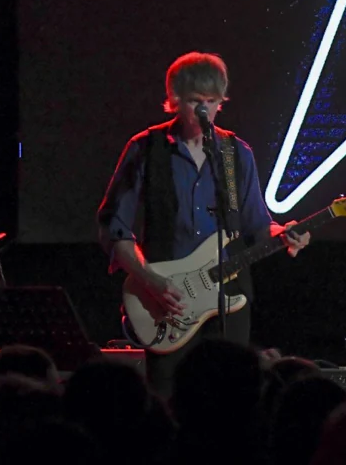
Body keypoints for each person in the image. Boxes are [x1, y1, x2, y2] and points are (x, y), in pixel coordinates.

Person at [96, 52, 310, 395]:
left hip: (229, 298)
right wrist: (148, 279)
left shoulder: (235, 153)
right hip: (167, 303)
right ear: (174, 100)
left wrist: (284, 234)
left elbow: (257, 224)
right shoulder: (144, 148)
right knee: (168, 398)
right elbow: (114, 226)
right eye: (196, 101)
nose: (204, 111)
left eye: (212, 102)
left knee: (231, 399)